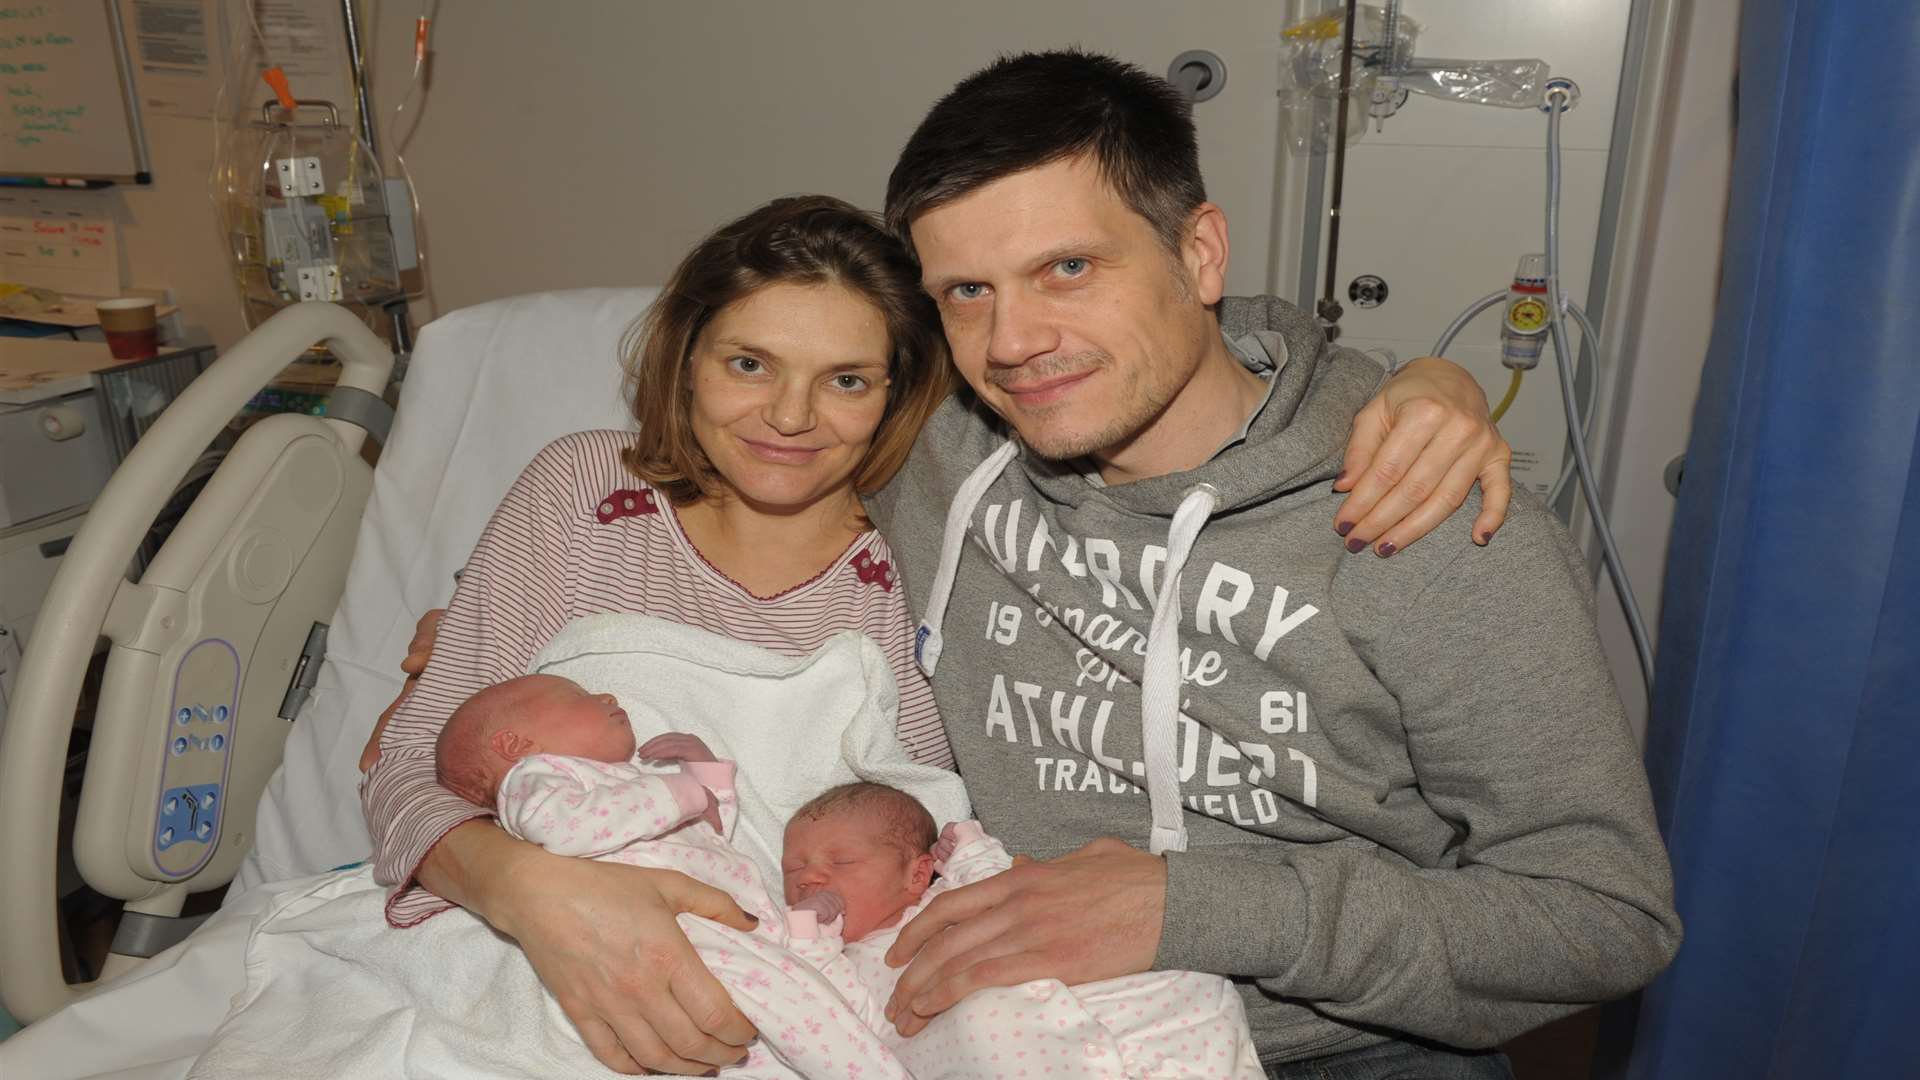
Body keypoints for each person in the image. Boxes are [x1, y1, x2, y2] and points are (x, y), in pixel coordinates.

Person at [359, 191, 1514, 1075]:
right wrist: (535, 893)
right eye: (748, 363)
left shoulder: (928, 527)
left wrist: (1424, 378)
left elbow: (1155, 342)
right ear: (685, 357)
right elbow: (408, 761)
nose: (792, 419)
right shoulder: (580, 493)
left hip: (821, 961)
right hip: (546, 926)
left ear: (902, 394)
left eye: (848, 380)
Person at [860, 50, 1682, 1078]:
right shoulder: (938, 456)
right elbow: (718, 409)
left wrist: (1200, 909)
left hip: (1337, 1047)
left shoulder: (1420, 511)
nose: (1014, 341)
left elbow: (1603, 919)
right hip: (1007, 1026)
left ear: (1201, 254)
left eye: (1068, 267)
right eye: (966, 293)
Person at [440, 677, 1264, 1078]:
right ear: (517, 746)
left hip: (736, 929)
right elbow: (573, 830)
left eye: (836, 864)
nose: (609, 694)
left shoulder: (947, 876)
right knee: (795, 1027)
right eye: (575, 694)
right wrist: (688, 792)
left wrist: (691, 770)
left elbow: (711, 835)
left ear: (919, 868)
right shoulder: (539, 784)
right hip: (684, 931)